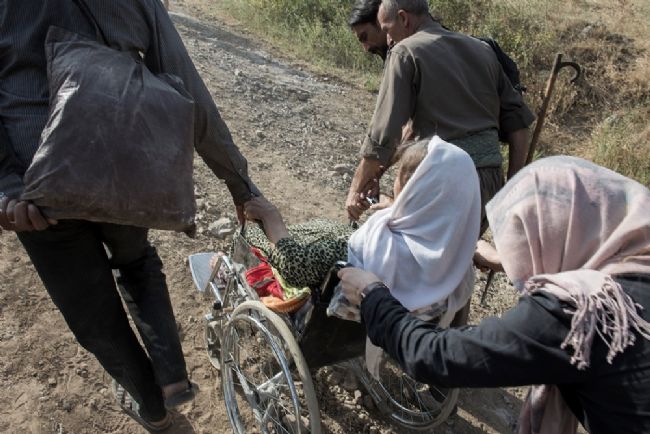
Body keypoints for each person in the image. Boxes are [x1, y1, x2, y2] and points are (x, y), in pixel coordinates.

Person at [0, 0, 259, 431]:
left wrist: (5, 185)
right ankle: (172, 377)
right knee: (136, 261)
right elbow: (189, 88)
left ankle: (152, 408)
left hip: (39, 188)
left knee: (92, 310)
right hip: (124, 166)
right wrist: (240, 183)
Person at [339, 156, 650, 434]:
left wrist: (372, 294)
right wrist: (503, 260)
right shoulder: (636, 276)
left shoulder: (577, 313)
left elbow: (435, 356)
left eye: (528, 238)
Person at [244, 135, 480, 327]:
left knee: (250, 235)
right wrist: (396, 205)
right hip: (394, 322)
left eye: (398, 177)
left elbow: (295, 265)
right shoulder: (456, 256)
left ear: (412, 188)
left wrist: (269, 216)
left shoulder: (368, 251)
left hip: (317, 272)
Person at [346, 0, 535, 237]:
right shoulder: (482, 50)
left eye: (386, 30)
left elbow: (383, 135)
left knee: (412, 258)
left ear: (404, 19)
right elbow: (518, 124)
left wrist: (355, 190)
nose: (388, 40)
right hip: (488, 183)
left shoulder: (404, 52)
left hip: (443, 182)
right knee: (456, 258)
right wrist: (510, 190)